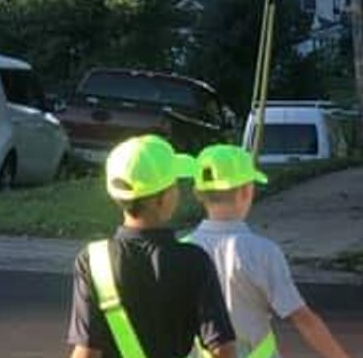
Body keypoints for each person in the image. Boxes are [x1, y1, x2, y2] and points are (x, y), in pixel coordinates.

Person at [67, 135, 236, 358]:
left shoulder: (93, 260)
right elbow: (223, 350)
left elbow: (87, 351)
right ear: (163, 199)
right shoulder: (194, 261)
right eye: (174, 185)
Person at [184, 145, 355, 358]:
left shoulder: (183, 250)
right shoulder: (263, 252)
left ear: (197, 193)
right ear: (247, 191)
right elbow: (303, 319)